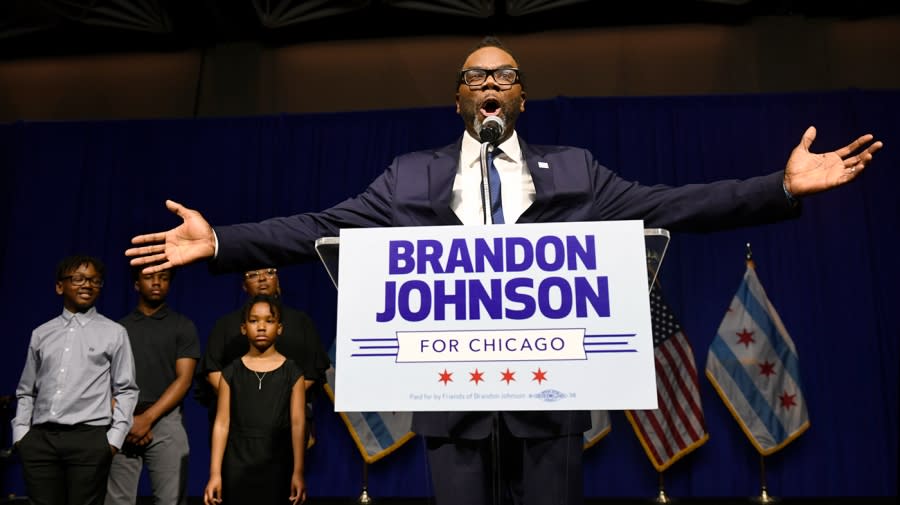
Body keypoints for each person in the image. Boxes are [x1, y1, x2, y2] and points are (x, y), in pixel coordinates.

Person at [125, 36, 883, 505]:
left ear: (521, 95)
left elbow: (676, 203)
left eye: (506, 73)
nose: (490, 81)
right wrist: (219, 240)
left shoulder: (577, 171)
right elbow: (318, 228)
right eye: (475, 74)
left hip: (549, 407)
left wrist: (780, 187)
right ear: (458, 96)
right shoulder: (410, 177)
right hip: (452, 412)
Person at [12, 255, 139, 505]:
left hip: (89, 440)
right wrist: (21, 436)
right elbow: (26, 391)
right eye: (78, 279)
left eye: (94, 280)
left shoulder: (114, 333)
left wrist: (113, 441)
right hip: (41, 440)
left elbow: (126, 390)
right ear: (60, 286)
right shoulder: (41, 333)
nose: (87, 285)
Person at [196, 266, 329, 449]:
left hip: (288, 420)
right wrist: (246, 404)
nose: (262, 279)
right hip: (237, 424)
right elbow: (213, 369)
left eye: (269, 272)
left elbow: (312, 371)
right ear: (243, 285)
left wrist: (275, 402)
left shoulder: (301, 322)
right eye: (253, 275)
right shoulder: (226, 325)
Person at [106, 266, 200, 505]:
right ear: (137, 284)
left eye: (163, 278)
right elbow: (106, 382)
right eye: (149, 277)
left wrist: (147, 419)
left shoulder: (183, 326)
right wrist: (126, 419)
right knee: (117, 500)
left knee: (171, 499)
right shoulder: (118, 329)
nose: (157, 282)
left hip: (166, 420)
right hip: (122, 419)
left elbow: (184, 379)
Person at [203, 294, 306, 505]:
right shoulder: (231, 372)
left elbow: (298, 424)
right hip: (237, 463)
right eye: (254, 320)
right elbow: (222, 423)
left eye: (269, 321)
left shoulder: (292, 372)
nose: (261, 327)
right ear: (243, 328)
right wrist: (215, 474)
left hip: (277, 461)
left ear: (279, 328)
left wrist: (298, 471)